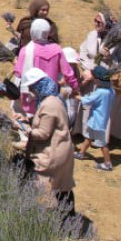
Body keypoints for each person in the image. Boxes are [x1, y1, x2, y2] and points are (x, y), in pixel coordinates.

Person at [19, 69, 76, 214]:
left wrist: (29, 131)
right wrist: (28, 120)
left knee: (41, 183)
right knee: (63, 188)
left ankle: (40, 216)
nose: (31, 91)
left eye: (32, 87)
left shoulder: (48, 105)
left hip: (53, 153)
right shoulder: (54, 99)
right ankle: (69, 218)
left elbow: (44, 133)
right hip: (63, 149)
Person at [78, 10, 121, 142]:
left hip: (106, 77)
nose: (95, 23)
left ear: (106, 24)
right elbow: (83, 52)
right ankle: (86, 133)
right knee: (89, 106)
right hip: (90, 75)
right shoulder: (92, 35)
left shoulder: (118, 41)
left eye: (99, 22)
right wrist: (88, 69)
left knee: (102, 108)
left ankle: (99, 138)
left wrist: (109, 57)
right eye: (95, 20)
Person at [13, 19, 79, 115]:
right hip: (50, 95)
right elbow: (68, 72)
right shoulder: (56, 49)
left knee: (33, 121)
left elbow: (18, 73)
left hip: (30, 96)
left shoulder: (26, 50)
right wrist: (75, 87)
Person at [75, 66, 117, 171]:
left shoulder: (100, 92)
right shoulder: (111, 91)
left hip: (97, 122)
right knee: (89, 137)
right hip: (99, 120)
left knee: (102, 144)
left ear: (98, 80)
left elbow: (88, 100)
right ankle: (81, 153)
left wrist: (76, 96)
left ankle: (108, 163)